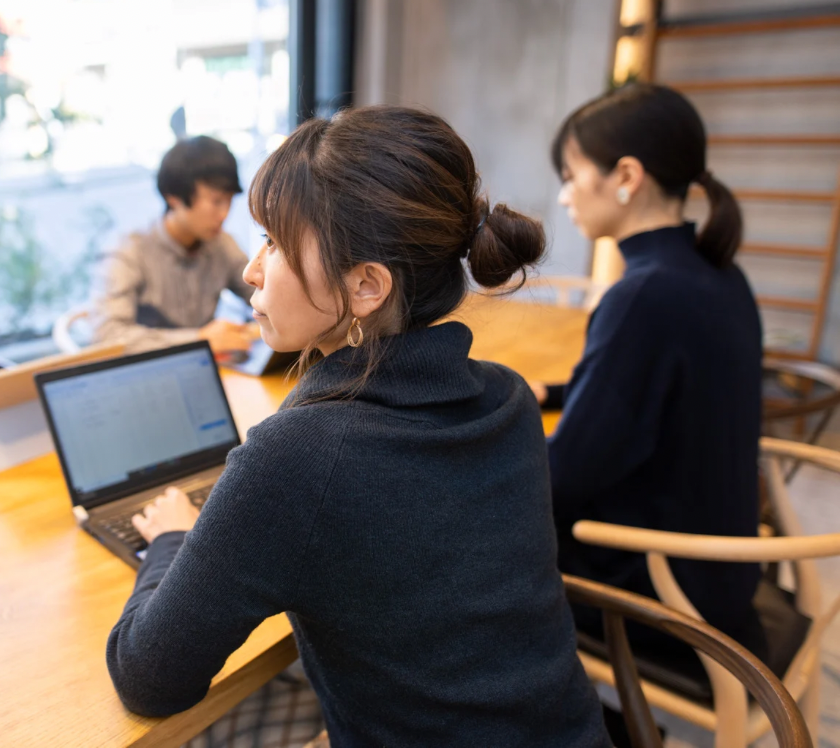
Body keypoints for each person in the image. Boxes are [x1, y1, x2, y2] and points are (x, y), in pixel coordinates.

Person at [105, 106, 611, 747]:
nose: (251, 271)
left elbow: (148, 676)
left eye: (276, 245)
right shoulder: (509, 400)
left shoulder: (298, 457)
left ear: (366, 285)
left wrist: (175, 540)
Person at [530, 84, 765, 667]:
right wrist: (553, 394)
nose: (564, 197)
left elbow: (567, 478)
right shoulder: (717, 272)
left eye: (571, 175)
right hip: (721, 572)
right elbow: (673, 390)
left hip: (666, 597)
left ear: (626, 177)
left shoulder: (644, 295)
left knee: (463, 538)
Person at [92, 136, 259, 354]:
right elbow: (107, 336)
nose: (224, 214)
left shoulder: (223, 245)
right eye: (216, 201)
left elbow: (261, 297)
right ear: (174, 197)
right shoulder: (129, 251)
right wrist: (199, 340)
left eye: (229, 201)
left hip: (211, 369)